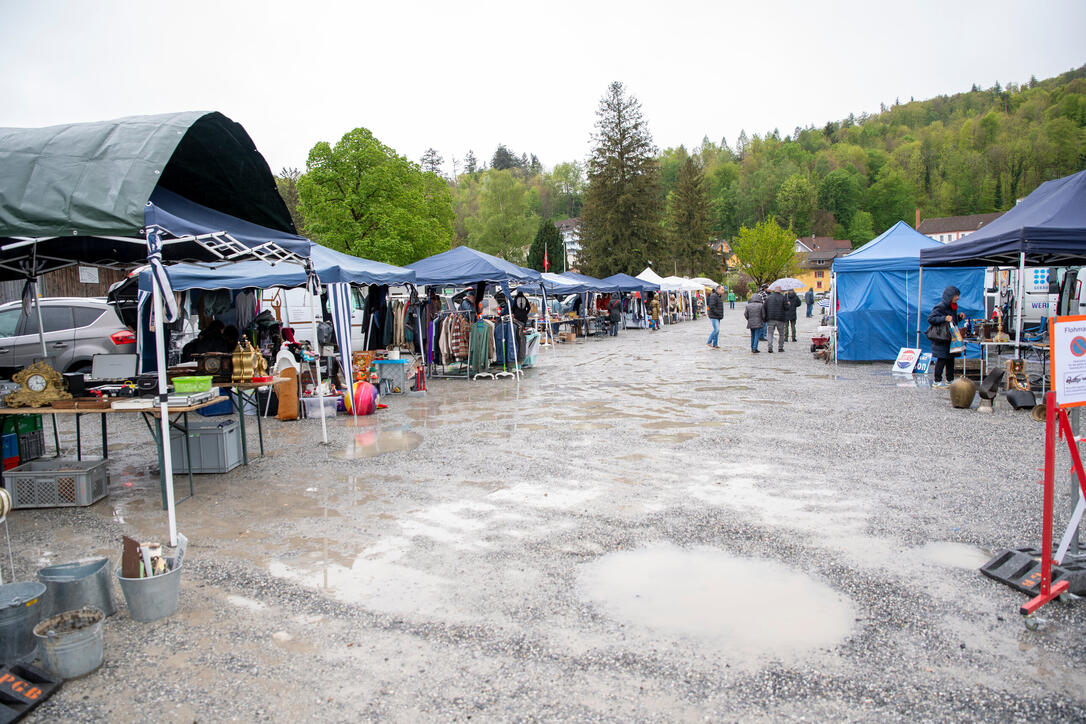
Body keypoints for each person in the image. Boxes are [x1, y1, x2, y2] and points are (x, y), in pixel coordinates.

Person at [928, 285, 966, 388]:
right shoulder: (941, 306)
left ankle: (950, 380)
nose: (957, 298)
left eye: (957, 295)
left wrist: (958, 317)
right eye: (956, 295)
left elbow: (952, 321)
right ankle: (937, 381)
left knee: (950, 359)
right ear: (950, 296)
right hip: (942, 337)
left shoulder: (953, 307)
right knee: (942, 359)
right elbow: (931, 319)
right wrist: (944, 318)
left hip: (950, 338)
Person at [764, 287, 788, 353]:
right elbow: (786, 308)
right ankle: (780, 347)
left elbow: (765, 307)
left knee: (770, 333)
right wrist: (788, 304)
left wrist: (766, 317)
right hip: (780, 318)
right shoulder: (783, 297)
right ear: (780, 290)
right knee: (781, 334)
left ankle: (770, 347)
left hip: (770, 318)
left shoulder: (769, 297)